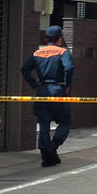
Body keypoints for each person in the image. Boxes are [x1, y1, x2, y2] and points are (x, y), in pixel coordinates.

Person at [21, 25, 75, 168]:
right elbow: (69, 68)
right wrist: (67, 84)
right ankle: (54, 146)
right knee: (65, 121)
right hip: (58, 89)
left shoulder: (37, 53)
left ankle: (46, 155)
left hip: (42, 90)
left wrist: (34, 84)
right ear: (60, 38)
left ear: (46, 38)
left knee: (43, 125)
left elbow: (24, 69)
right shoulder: (63, 51)